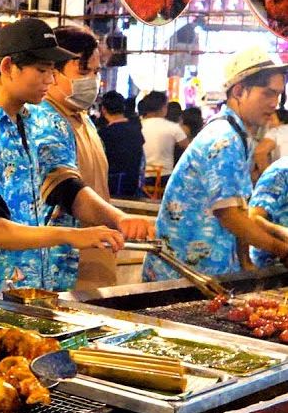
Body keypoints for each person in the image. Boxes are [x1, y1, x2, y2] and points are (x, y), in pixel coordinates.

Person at [0, 18, 151, 299]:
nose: (51, 80)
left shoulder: (34, 121)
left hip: (33, 290)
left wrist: (118, 218)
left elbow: (67, 189)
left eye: (53, 71)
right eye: (42, 70)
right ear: (7, 67)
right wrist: (71, 236)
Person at [143, 46, 288, 281]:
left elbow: (239, 208)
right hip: (181, 278)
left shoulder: (240, 136)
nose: (275, 103)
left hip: (209, 276)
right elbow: (230, 215)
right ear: (240, 91)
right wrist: (280, 249)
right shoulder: (224, 138)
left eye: (278, 95)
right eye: (268, 93)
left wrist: (245, 264)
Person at [37, 24, 120, 288]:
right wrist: (119, 218)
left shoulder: (82, 118)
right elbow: (66, 190)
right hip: (64, 265)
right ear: (53, 70)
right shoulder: (45, 119)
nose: (93, 80)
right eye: (84, 71)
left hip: (97, 255)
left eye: (96, 72)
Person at [98, 91, 146, 198]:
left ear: (104, 110)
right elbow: (142, 161)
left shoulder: (104, 134)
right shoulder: (136, 130)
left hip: (109, 188)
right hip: (132, 186)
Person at [140, 91, 188, 186]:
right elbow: (188, 148)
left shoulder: (138, 125)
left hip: (142, 177)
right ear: (163, 108)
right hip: (164, 177)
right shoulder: (173, 127)